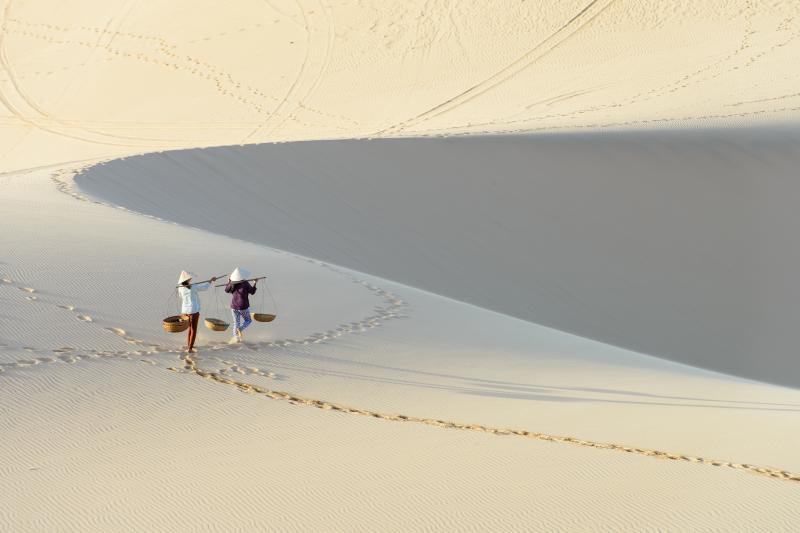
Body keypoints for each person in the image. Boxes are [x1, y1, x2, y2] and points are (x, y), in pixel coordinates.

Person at [177, 271, 217, 353]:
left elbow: (181, 296)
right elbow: (204, 288)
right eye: (189, 278)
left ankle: (189, 345)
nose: (190, 279)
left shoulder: (180, 288)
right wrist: (210, 281)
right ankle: (190, 349)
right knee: (193, 329)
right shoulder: (193, 286)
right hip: (193, 310)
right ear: (187, 279)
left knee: (190, 329)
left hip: (185, 311)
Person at [225, 267, 257, 343]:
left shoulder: (232, 283)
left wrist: (229, 281)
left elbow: (227, 290)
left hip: (234, 306)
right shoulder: (245, 283)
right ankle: (239, 330)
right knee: (248, 320)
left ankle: (235, 337)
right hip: (243, 306)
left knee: (236, 322)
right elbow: (252, 292)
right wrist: (255, 283)